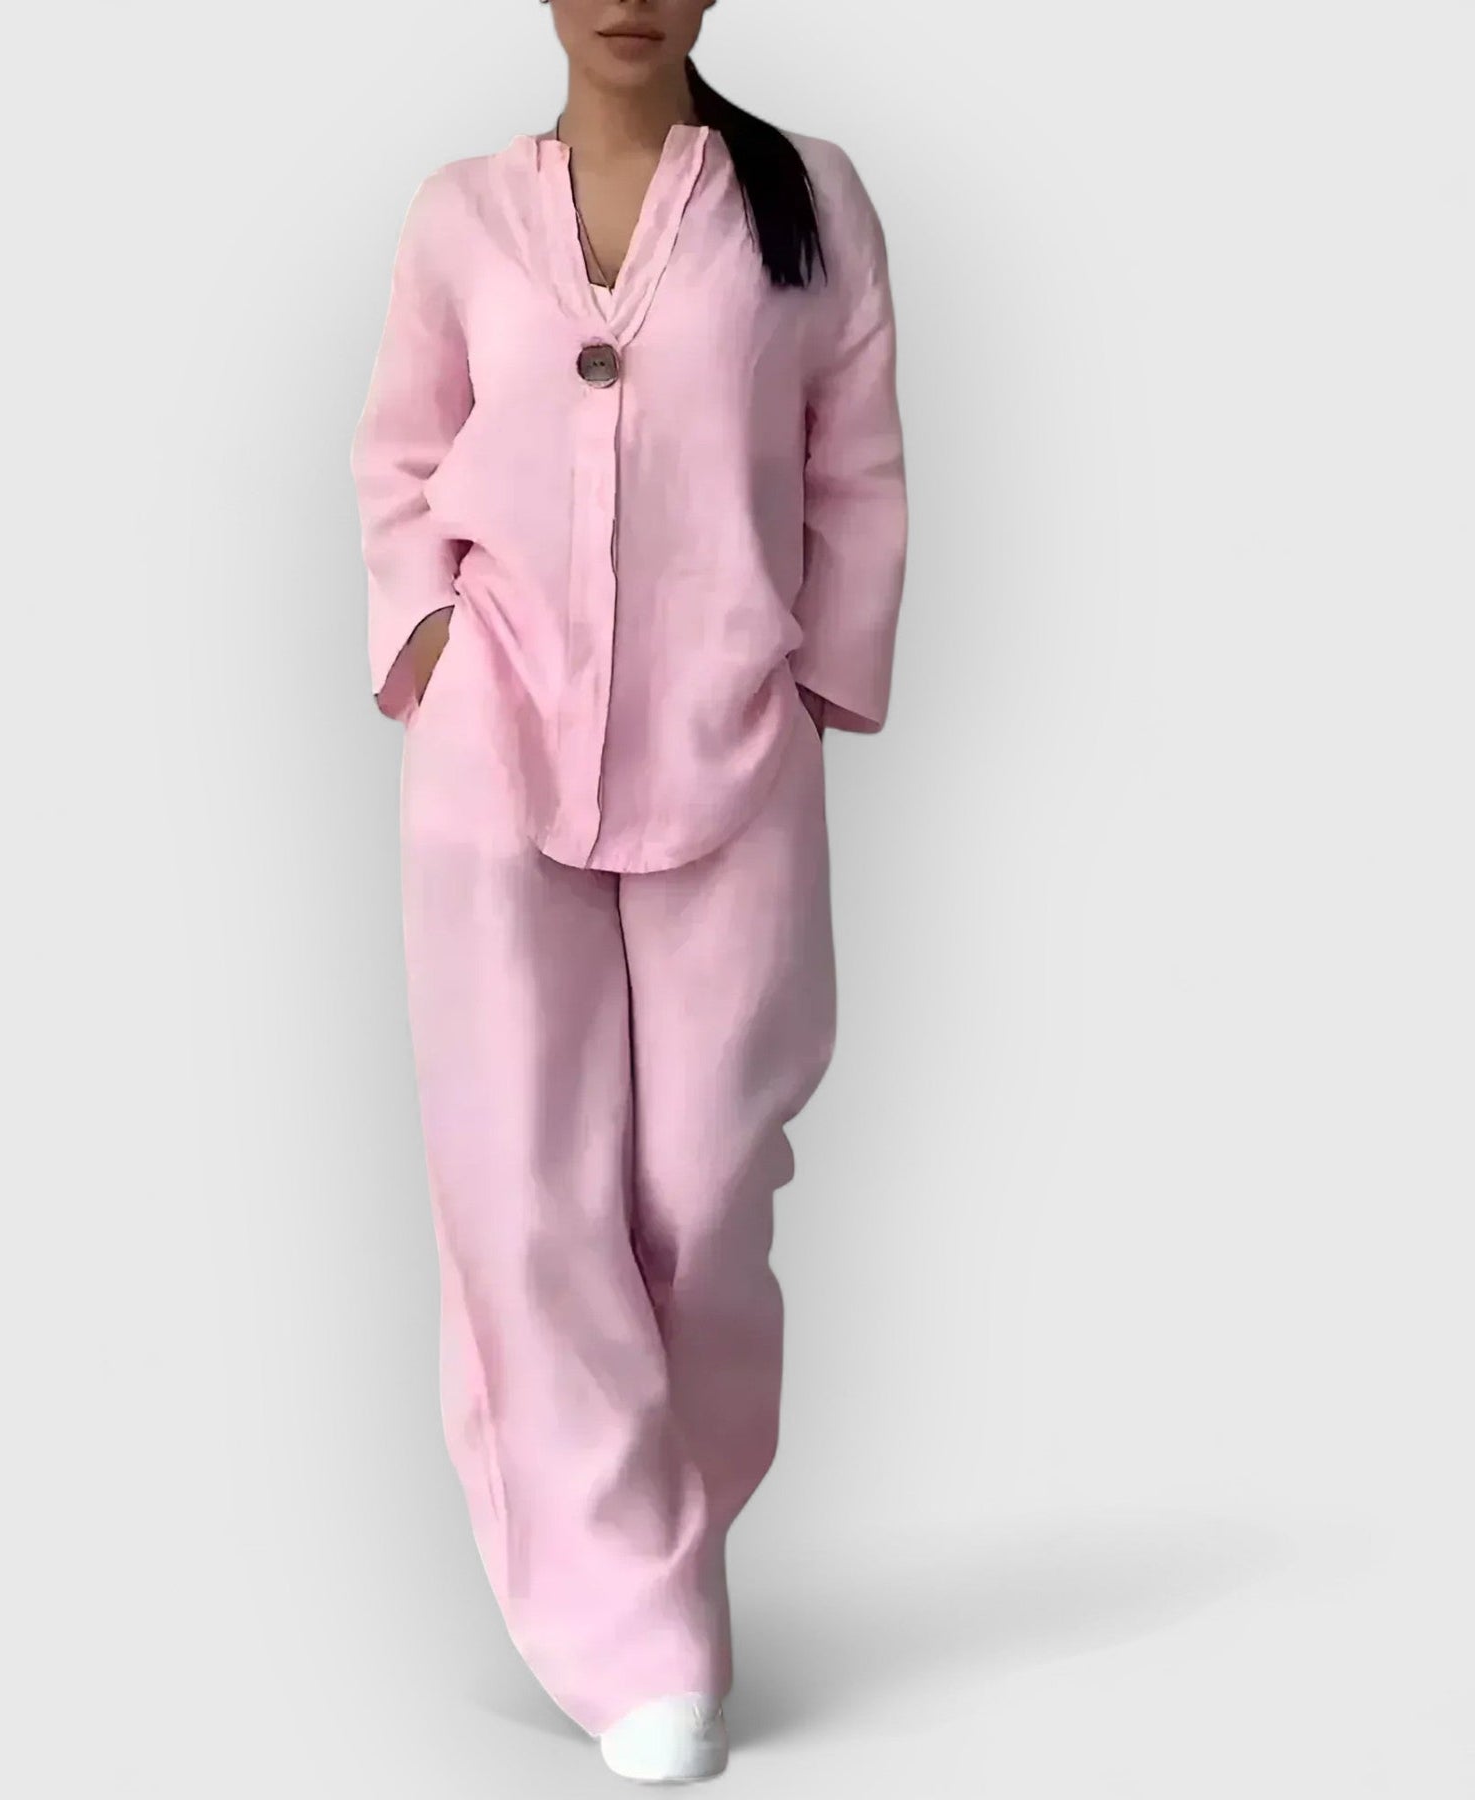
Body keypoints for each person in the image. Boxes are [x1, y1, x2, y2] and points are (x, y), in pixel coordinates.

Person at [348, 0, 908, 1781]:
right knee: (524, 1188)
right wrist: (428, 640)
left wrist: (818, 679)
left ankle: (653, 1532)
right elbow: (399, 458)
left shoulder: (809, 202)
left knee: (703, 1182)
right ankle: (637, 1633)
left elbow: (856, 462)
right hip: (494, 749)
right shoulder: (458, 216)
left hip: (731, 746)